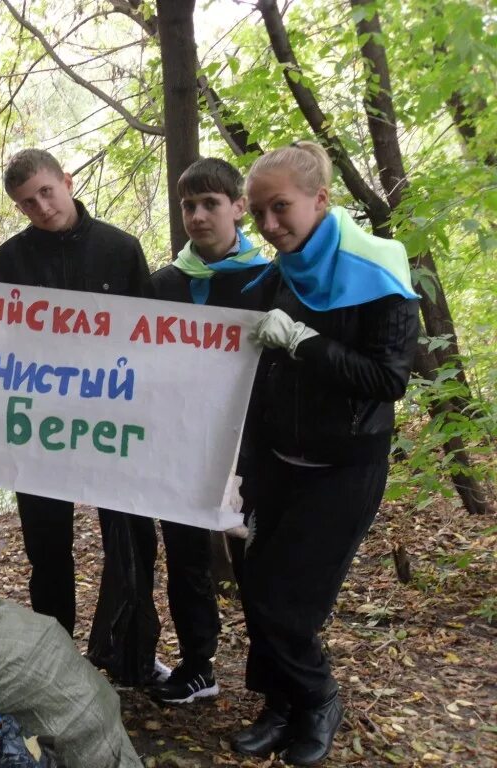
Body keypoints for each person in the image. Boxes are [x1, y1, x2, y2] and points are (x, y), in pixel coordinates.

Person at [234, 141, 419, 766]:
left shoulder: (380, 271)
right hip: (277, 460)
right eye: (258, 212)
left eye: (281, 207)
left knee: (286, 600)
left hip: (345, 466)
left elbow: (390, 380)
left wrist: (307, 343)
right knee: (258, 584)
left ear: (321, 199)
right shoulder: (275, 275)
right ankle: (279, 707)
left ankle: (317, 700)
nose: (269, 225)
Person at [0, 148, 158, 681]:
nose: (40, 206)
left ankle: (128, 655)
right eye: (25, 202)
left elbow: (152, 337)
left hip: (111, 420)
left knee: (128, 542)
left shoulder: (120, 249)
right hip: (39, 425)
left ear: (67, 180)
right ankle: (55, 659)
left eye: (45, 192)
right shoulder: (7, 261)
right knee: (47, 546)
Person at [147, 157, 271, 705]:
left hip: (252, 448)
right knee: (186, 555)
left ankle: (273, 674)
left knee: (257, 562)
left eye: (210, 204)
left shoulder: (270, 280)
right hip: (179, 444)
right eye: (188, 206)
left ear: (239, 208)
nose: (197, 216)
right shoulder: (163, 283)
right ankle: (199, 664)